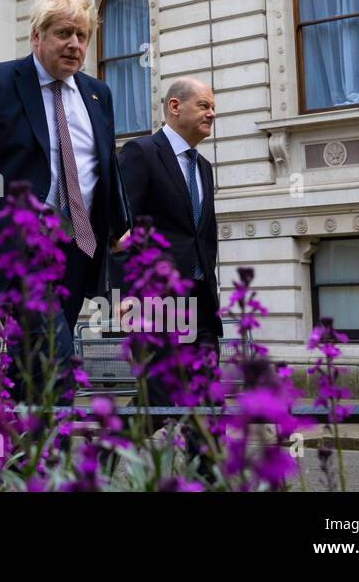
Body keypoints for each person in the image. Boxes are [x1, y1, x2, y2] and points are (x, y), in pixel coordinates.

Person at [0, 0, 130, 402]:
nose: (74, 44)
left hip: (77, 248)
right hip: (13, 245)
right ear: (37, 37)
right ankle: (52, 453)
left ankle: (8, 453)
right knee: (54, 355)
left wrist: (118, 232)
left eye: (82, 36)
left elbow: (104, 169)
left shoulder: (97, 95)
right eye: (63, 33)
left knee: (30, 360)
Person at [117, 78, 222, 465]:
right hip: (157, 303)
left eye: (213, 107)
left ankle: (211, 480)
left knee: (209, 401)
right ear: (175, 107)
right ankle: (104, 458)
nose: (212, 113)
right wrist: (127, 292)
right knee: (161, 398)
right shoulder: (141, 153)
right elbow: (121, 229)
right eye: (205, 106)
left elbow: (202, 236)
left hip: (202, 302)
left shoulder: (204, 167)